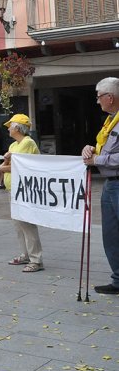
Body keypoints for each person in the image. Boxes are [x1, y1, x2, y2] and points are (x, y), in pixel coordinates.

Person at [82, 78, 119, 294]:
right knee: (111, 235)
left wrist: (97, 161)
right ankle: (118, 280)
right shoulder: (110, 122)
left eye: (98, 96)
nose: (97, 101)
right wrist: (91, 150)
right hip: (109, 185)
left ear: (110, 98)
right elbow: (106, 151)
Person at [0, 114, 43, 272]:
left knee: (27, 224)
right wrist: (4, 163)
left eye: (10, 126)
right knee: (18, 224)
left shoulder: (27, 142)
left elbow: (18, 166)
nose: (8, 128)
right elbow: (7, 163)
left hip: (25, 189)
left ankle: (36, 259)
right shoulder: (13, 146)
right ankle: (25, 254)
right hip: (14, 189)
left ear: (17, 128)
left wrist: (1, 168)